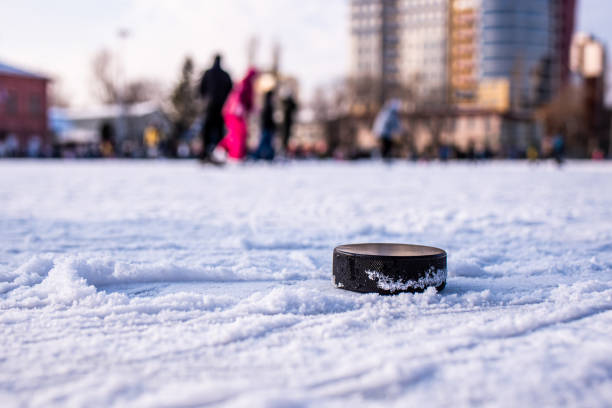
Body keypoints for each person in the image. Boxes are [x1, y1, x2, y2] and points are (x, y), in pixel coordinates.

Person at [198, 54, 233, 161]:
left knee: (207, 131)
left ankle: (204, 154)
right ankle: (219, 155)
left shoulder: (208, 73)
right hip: (221, 108)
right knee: (219, 131)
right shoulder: (225, 75)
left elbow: (201, 88)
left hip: (209, 106)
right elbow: (231, 90)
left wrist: (206, 99)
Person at [219, 68, 257, 160]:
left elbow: (248, 101)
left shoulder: (247, 84)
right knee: (238, 134)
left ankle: (221, 152)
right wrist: (240, 107)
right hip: (234, 113)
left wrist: (250, 109)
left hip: (234, 113)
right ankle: (235, 156)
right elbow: (240, 97)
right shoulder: (245, 84)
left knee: (237, 134)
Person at [253, 90, 276, 160]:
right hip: (266, 127)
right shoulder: (268, 105)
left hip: (267, 127)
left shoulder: (267, 105)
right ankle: (257, 155)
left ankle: (267, 155)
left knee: (266, 142)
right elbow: (267, 118)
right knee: (264, 142)